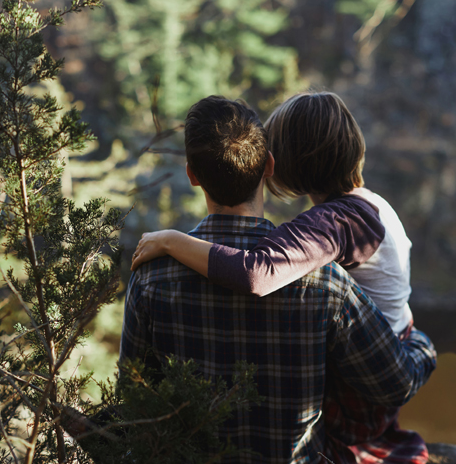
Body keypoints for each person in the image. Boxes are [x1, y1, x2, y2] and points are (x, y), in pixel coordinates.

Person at [121, 95, 436, 464]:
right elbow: (391, 382)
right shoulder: (326, 278)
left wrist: (172, 239)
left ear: (192, 176)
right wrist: (423, 348)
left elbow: (134, 399)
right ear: (268, 164)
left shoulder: (150, 276)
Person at [130, 91, 412, 338]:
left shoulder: (337, 222)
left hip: (370, 372)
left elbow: (256, 274)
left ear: (285, 161)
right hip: (397, 337)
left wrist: (171, 241)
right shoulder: (370, 205)